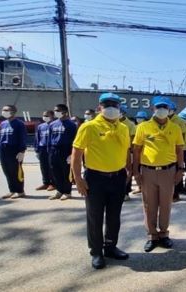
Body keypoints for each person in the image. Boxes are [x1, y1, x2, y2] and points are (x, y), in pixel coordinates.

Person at [71, 93, 131, 269]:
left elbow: (127, 150)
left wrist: (128, 170)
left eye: (115, 104)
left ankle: (110, 247)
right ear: (99, 108)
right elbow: (77, 153)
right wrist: (78, 179)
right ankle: (96, 252)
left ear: (120, 109)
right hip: (95, 178)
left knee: (114, 217)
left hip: (118, 177)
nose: (111, 108)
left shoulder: (124, 128)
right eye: (107, 104)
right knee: (95, 217)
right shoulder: (88, 127)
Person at [133, 96, 185, 252]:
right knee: (149, 205)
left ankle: (163, 234)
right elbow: (136, 150)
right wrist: (136, 171)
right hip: (148, 171)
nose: (161, 110)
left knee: (166, 205)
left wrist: (180, 170)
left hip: (168, 171)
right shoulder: (143, 127)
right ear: (153, 109)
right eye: (158, 107)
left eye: (164, 107)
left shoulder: (175, 128)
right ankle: (152, 236)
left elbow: (179, 150)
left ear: (169, 110)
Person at [47, 104, 77, 201]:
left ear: (64, 112)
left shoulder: (72, 125)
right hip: (54, 149)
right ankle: (59, 191)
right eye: (55, 110)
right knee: (55, 172)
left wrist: (71, 154)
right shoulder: (52, 124)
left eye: (58, 110)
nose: (55, 112)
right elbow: (49, 138)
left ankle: (67, 192)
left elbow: (75, 140)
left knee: (66, 172)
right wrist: (49, 151)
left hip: (66, 149)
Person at [0, 105, 28, 199]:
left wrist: (22, 151)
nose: (4, 111)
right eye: (3, 110)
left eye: (6, 110)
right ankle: (12, 190)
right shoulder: (3, 123)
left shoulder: (19, 124)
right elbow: (0, 137)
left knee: (15, 170)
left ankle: (20, 191)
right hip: (3, 149)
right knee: (7, 171)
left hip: (14, 149)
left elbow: (22, 138)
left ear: (13, 112)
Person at [35, 110, 55, 191]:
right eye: (44, 115)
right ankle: (45, 182)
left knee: (52, 167)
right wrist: (36, 149)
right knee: (43, 166)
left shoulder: (55, 125)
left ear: (52, 116)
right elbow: (38, 138)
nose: (45, 117)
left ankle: (53, 183)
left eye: (47, 115)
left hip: (51, 148)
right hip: (42, 148)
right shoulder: (40, 126)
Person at [120, 105, 137, 201]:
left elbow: (132, 138)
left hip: (127, 150)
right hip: (116, 151)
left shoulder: (130, 124)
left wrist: (131, 151)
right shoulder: (113, 122)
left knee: (127, 171)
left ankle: (126, 191)